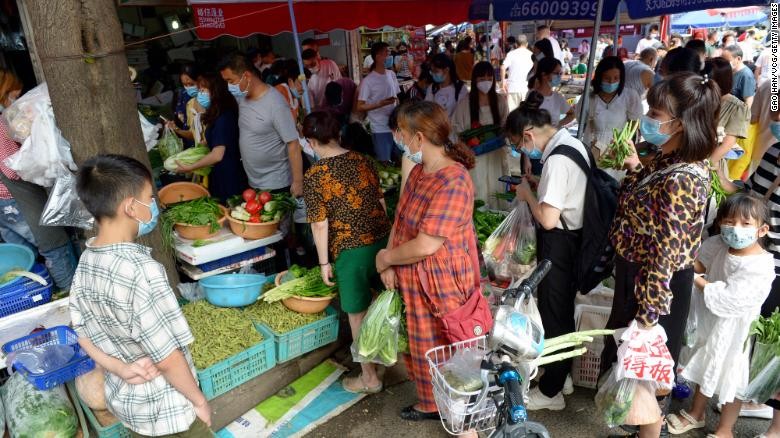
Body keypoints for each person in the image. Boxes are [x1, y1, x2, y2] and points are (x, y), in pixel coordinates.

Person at [600, 72, 721, 437]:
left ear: (682, 124)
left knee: (647, 376)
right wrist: (636, 169)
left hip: (655, 285)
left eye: (655, 112)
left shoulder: (682, 177)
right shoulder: (664, 158)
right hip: (638, 276)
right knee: (635, 372)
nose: (647, 117)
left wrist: (649, 317)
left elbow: (666, 254)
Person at [72, 154, 211, 437]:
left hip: (129, 407)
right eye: (149, 197)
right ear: (130, 207)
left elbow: (81, 332)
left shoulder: (86, 260)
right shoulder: (143, 271)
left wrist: (119, 368)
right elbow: (166, 358)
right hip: (169, 411)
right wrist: (199, 401)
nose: (153, 205)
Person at [375, 101, 479, 423]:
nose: (402, 142)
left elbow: (426, 244)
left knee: (446, 345)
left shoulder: (454, 182)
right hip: (413, 278)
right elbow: (401, 219)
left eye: (404, 136)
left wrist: (384, 257)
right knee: (420, 345)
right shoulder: (420, 171)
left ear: (419, 138)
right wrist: (390, 263)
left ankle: (458, 412)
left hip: (444, 283)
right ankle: (431, 402)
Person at [505, 90, 588, 411]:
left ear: (528, 135)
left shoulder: (556, 160)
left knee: (555, 315)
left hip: (561, 243)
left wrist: (527, 194)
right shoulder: (572, 143)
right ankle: (562, 375)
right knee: (561, 310)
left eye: (519, 144)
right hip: (575, 238)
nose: (521, 150)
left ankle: (551, 391)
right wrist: (539, 185)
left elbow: (549, 220)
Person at [666, 193, 774, 437]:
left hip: (737, 328)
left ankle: (726, 429)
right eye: (729, 221)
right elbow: (700, 265)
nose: (735, 229)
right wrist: (680, 255)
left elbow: (732, 298)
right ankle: (696, 413)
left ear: (762, 229)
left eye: (746, 224)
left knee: (732, 377)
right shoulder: (717, 244)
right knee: (706, 363)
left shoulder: (761, 265)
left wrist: (699, 282)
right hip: (710, 318)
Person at [301, 111, 391, 395]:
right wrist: (387, 243)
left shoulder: (315, 175)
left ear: (312, 142)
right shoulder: (363, 159)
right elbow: (381, 203)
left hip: (350, 251)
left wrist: (324, 261)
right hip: (381, 244)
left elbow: (319, 222)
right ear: (337, 134)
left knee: (357, 314)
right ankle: (385, 359)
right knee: (385, 303)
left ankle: (369, 378)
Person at [0, 69, 76, 291]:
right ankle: (72, 294)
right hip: (14, 200)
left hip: (4, 205)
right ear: (5, 92)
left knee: (24, 258)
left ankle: (42, 293)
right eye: (15, 93)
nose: (18, 97)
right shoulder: (2, 123)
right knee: (54, 246)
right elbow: (12, 170)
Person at [219, 53, 303, 197]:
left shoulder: (275, 103)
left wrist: (298, 182)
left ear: (246, 75)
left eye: (231, 81)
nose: (229, 86)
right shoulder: (242, 97)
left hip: (276, 184)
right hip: (253, 181)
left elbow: (293, 143)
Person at [173, 72, 248, 203]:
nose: (200, 94)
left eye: (203, 90)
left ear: (215, 91)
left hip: (229, 176)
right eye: (200, 90)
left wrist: (191, 167)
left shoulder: (224, 117)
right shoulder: (215, 113)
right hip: (219, 174)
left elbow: (217, 154)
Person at [451, 62, 509, 205]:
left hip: (496, 154)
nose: (486, 82)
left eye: (489, 78)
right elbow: (455, 127)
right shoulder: (465, 103)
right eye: (481, 78)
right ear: (475, 79)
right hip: (475, 156)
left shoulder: (500, 100)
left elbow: (506, 125)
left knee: (496, 186)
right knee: (479, 187)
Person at [702, 57, 749, 208]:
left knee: (707, 208)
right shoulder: (699, 99)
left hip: (712, 164)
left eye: (708, 79)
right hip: (688, 159)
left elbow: (728, 143)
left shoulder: (737, 107)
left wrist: (706, 165)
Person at [577, 56, 643, 163]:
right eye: (607, 78)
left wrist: (623, 145)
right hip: (592, 149)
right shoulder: (589, 97)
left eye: (616, 78)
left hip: (618, 152)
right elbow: (581, 119)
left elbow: (634, 123)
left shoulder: (630, 95)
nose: (611, 82)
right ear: (599, 77)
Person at [356, 42, 400, 163]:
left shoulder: (391, 75)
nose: (389, 56)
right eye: (386, 53)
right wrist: (380, 104)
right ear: (377, 56)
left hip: (396, 127)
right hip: (380, 128)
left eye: (389, 52)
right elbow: (359, 106)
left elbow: (397, 98)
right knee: (384, 163)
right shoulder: (368, 81)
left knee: (399, 162)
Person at [528, 58, 575, 128]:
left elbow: (571, 114)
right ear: (544, 75)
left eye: (560, 73)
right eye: (556, 73)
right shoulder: (532, 95)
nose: (559, 76)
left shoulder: (558, 97)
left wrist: (558, 124)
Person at [168, 64, 205, 146]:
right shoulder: (190, 103)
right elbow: (193, 134)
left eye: (191, 84)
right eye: (185, 85)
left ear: (201, 80)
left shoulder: (211, 102)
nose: (188, 88)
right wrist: (176, 129)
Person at [425, 53, 467, 118]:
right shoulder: (432, 88)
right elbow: (427, 110)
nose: (433, 74)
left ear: (446, 70)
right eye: (431, 71)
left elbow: (463, 113)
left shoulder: (460, 88)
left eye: (436, 71)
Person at [501, 34, 534, 111]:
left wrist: (503, 83)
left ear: (516, 44)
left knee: (512, 113)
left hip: (512, 88)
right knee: (525, 113)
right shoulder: (531, 55)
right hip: (526, 88)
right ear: (527, 44)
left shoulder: (511, 54)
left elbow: (503, 67)